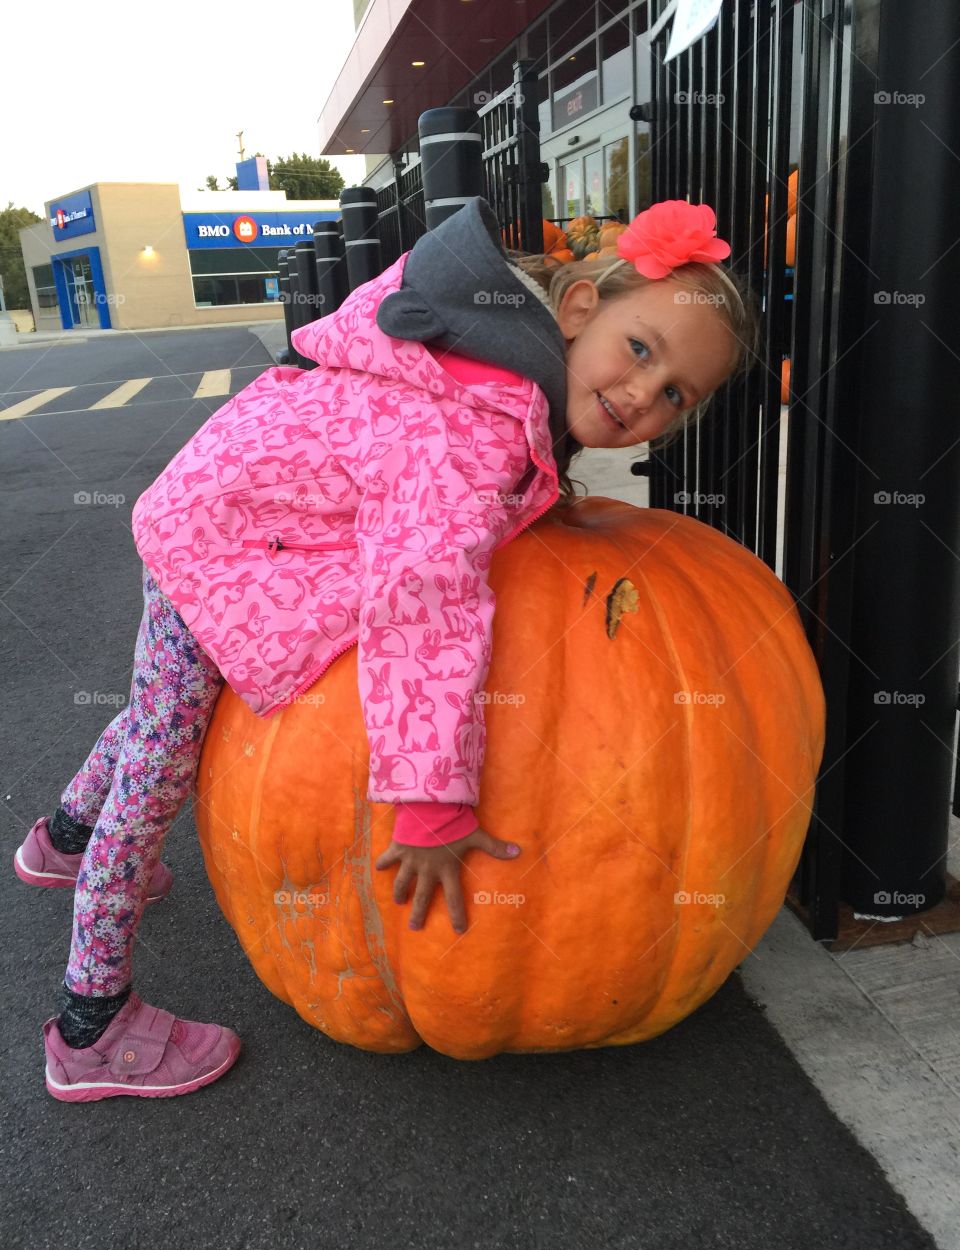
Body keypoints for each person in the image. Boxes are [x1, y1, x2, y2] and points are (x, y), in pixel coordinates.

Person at [13, 196, 760, 1102]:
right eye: (640, 350)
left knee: (152, 708)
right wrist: (429, 805)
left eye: (677, 393)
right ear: (574, 313)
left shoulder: (474, 338)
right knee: (160, 761)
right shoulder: (472, 433)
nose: (645, 393)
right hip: (223, 546)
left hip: (219, 508)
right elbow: (423, 610)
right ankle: (91, 1023)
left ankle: (63, 838)